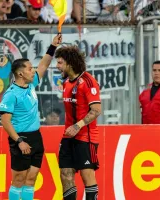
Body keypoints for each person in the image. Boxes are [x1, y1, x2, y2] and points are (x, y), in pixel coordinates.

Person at [0, 34, 62, 200]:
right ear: (20, 74)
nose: (33, 70)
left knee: (31, 179)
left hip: (36, 137)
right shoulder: (11, 95)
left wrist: (53, 46)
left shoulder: (31, 83)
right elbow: (5, 122)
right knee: (18, 179)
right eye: (29, 68)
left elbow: (43, 65)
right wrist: (19, 141)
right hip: (21, 139)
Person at [55, 46, 101, 200]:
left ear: (70, 63)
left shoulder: (88, 81)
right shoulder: (66, 82)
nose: (57, 66)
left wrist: (78, 126)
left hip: (85, 137)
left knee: (87, 175)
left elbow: (96, 110)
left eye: (60, 63)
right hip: (68, 136)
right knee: (65, 174)